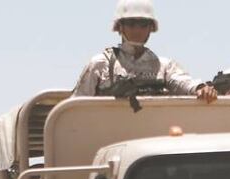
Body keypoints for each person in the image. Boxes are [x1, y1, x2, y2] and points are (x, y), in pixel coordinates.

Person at [73, 0, 217, 103]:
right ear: (120, 27)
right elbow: (77, 108)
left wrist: (200, 88)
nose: (137, 30)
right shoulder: (100, 64)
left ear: (151, 28)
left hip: (151, 133)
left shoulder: (163, 66)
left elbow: (183, 82)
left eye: (143, 24)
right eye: (131, 23)